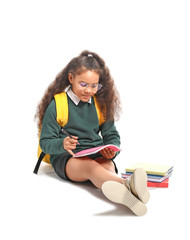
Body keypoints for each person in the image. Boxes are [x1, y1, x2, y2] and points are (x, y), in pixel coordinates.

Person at [35, 50, 150, 216]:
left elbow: (111, 135)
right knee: (91, 167)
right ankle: (129, 185)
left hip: (95, 152)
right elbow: (45, 142)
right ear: (71, 78)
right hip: (68, 157)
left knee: (106, 166)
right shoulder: (58, 104)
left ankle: (128, 196)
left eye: (94, 86)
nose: (88, 90)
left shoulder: (100, 104)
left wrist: (111, 150)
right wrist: (62, 143)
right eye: (83, 84)